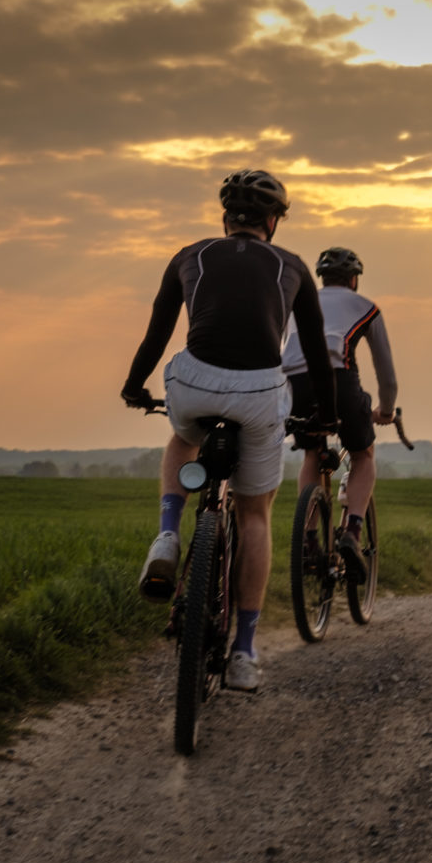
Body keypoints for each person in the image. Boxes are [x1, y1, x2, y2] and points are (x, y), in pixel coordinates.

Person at [121, 169, 336, 692]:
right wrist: (326, 415)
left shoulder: (189, 255)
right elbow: (312, 352)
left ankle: (169, 534)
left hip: (195, 382)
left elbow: (157, 331)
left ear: (225, 217)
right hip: (260, 392)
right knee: (254, 513)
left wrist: (134, 386)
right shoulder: (293, 267)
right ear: (272, 220)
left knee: (182, 438)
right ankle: (243, 652)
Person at [283, 246, 397, 585]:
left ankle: (308, 538)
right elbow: (386, 372)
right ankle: (352, 532)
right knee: (363, 456)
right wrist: (386, 410)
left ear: (320, 277)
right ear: (354, 279)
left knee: (311, 452)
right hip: (339, 379)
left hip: (295, 384)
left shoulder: (295, 304)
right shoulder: (366, 308)